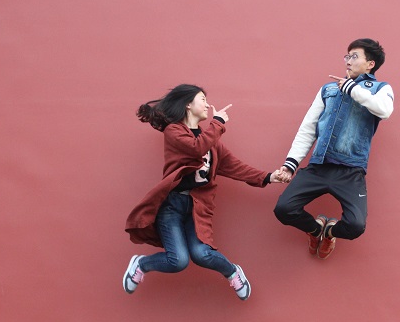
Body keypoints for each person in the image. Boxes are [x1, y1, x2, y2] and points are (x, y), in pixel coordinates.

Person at [123, 84, 287, 299]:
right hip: (172, 206)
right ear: (188, 104)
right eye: (202, 99)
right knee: (178, 261)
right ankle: (141, 264)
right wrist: (217, 123)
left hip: (197, 206)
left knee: (202, 254)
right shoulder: (174, 131)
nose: (207, 105)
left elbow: (234, 166)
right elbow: (196, 148)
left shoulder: (211, 141)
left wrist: (268, 177)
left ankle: (233, 273)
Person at [273, 38, 394, 259]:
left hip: (350, 171)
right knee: (284, 209)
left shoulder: (380, 89)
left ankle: (329, 232)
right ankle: (315, 230)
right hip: (319, 166)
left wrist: (352, 89)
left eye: (354, 56)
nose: (348, 60)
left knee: (356, 225)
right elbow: (308, 128)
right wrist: (290, 164)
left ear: (370, 64)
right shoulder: (328, 89)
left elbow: (385, 110)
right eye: (347, 56)